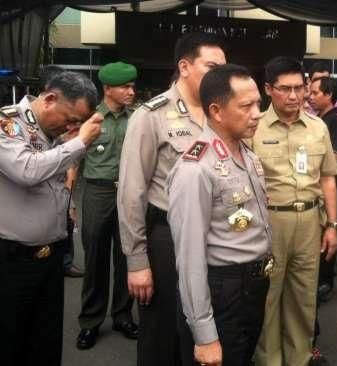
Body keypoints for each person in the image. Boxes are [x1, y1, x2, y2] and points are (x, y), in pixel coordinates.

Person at [117, 32, 226, 366]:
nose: (220, 75)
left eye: (224, 67)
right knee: (162, 335)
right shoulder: (152, 116)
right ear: (184, 66)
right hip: (168, 238)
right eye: (212, 66)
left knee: (204, 331)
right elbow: (131, 192)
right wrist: (136, 263)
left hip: (215, 238)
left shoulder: (220, 112)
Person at [168, 64, 272, 366]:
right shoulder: (196, 167)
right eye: (246, 106)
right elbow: (189, 258)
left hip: (250, 287)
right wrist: (204, 335)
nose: (257, 113)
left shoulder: (246, 154)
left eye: (258, 104)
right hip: (222, 291)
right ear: (216, 110)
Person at [0, 71, 103, 366]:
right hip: (12, 260)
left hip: (50, 255)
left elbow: (55, 178)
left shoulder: (54, 133)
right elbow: (27, 171)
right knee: (11, 342)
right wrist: (78, 142)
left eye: (77, 122)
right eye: (70, 118)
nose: (71, 126)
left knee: (44, 342)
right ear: (50, 98)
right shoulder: (8, 123)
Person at [253, 56, 337, 366]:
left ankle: (300, 357)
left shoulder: (318, 128)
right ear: (268, 90)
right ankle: (269, 359)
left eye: (299, 88)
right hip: (269, 221)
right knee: (269, 295)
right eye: (284, 89)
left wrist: (332, 225)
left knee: (304, 296)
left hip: (309, 222)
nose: (294, 96)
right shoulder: (253, 127)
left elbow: (328, 178)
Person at [76, 61, 139, 350]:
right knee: (95, 259)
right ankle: (90, 322)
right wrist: (67, 200)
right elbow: (73, 159)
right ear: (107, 89)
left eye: (132, 85)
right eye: (125, 86)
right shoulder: (90, 119)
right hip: (97, 192)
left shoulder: (137, 119)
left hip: (128, 194)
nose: (131, 90)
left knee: (127, 256)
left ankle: (122, 315)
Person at [309, 75, 337, 300]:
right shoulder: (319, 119)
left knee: (329, 232)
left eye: (315, 93)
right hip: (319, 188)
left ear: (329, 95)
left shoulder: (336, 120)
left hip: (333, 187)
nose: (310, 96)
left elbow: (334, 156)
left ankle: (325, 283)